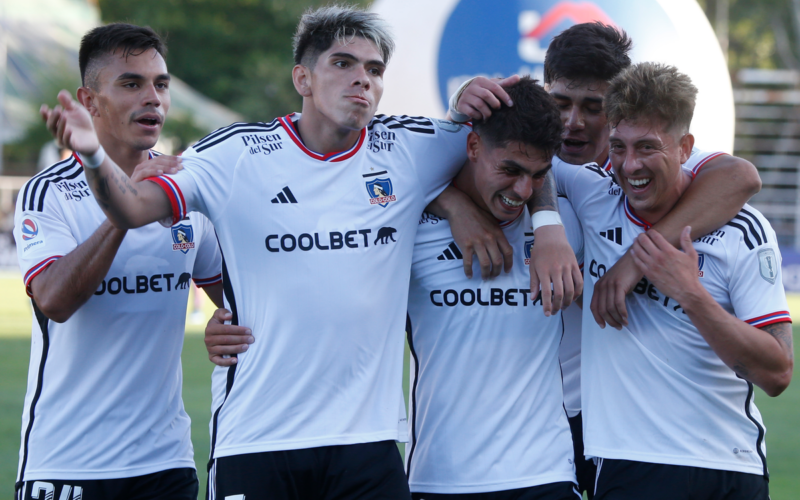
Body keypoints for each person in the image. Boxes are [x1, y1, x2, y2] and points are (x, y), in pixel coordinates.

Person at [39, 6, 577, 499]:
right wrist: (90, 155)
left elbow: (526, 144)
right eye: (342, 63)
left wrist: (542, 221)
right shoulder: (234, 154)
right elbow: (132, 209)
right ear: (302, 78)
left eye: (374, 68)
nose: (361, 77)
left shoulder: (411, 145)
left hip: (367, 444)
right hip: (257, 440)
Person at [448, 22, 762, 498]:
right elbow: (411, 168)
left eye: (592, 107)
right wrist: (460, 206)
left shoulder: (640, 175)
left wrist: (637, 259)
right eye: (561, 103)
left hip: (612, 432)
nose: (573, 122)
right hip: (511, 431)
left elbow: (738, 175)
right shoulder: (514, 171)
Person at [557, 62, 792, 500]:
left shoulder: (742, 229)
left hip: (728, 465)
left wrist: (690, 294)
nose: (629, 166)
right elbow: (493, 156)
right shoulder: (593, 193)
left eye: (648, 147)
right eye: (619, 147)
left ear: (685, 147)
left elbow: (777, 372)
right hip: (628, 463)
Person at [14, 24, 223, 500]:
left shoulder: (187, 187)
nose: (153, 98)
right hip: (69, 464)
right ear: (89, 101)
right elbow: (53, 300)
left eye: (161, 84)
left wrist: (227, 323)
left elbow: (240, 298)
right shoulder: (49, 192)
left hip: (166, 463)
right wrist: (125, 209)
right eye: (131, 84)